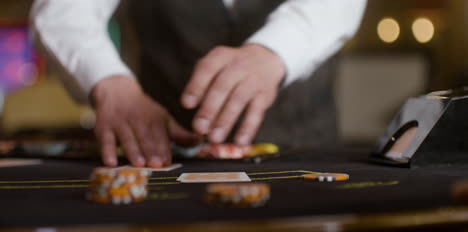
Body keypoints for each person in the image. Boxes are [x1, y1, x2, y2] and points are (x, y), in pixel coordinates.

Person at [30, 0, 367, 168]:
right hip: (165, 162)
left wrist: (277, 49)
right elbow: (62, 11)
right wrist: (107, 81)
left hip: (305, 157)